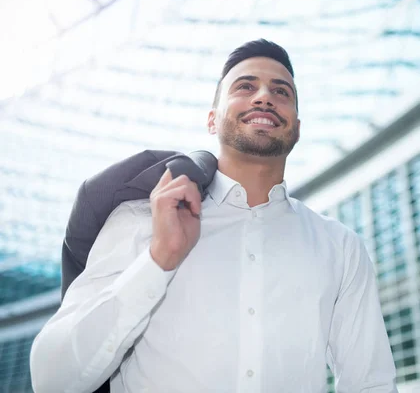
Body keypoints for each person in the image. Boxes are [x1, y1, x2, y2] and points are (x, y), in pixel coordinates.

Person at [30, 39, 398, 393]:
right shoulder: (140, 219)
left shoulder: (341, 247)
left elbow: (371, 384)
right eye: (245, 86)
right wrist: (159, 260)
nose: (264, 96)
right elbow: (52, 379)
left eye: (281, 91)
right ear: (212, 120)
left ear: (296, 127)